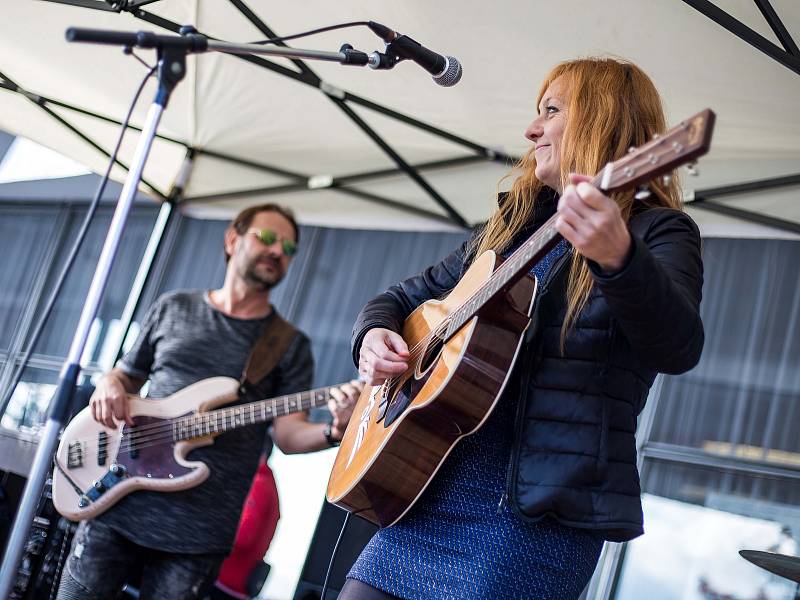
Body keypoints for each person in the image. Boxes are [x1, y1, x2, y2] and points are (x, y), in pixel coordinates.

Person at [340, 57, 705, 599]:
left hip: (535, 520)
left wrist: (619, 259)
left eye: (551, 111)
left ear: (601, 120)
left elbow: (678, 345)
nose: (530, 130)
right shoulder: (510, 228)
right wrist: (372, 337)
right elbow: (398, 299)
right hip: (428, 488)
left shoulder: (660, 232)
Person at [55, 203, 361, 600]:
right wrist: (109, 382)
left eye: (288, 248)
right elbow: (127, 374)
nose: (278, 251)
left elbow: (288, 434)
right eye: (267, 238)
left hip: (199, 532)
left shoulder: (287, 345)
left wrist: (335, 428)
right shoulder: (175, 307)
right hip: (117, 501)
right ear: (233, 239)